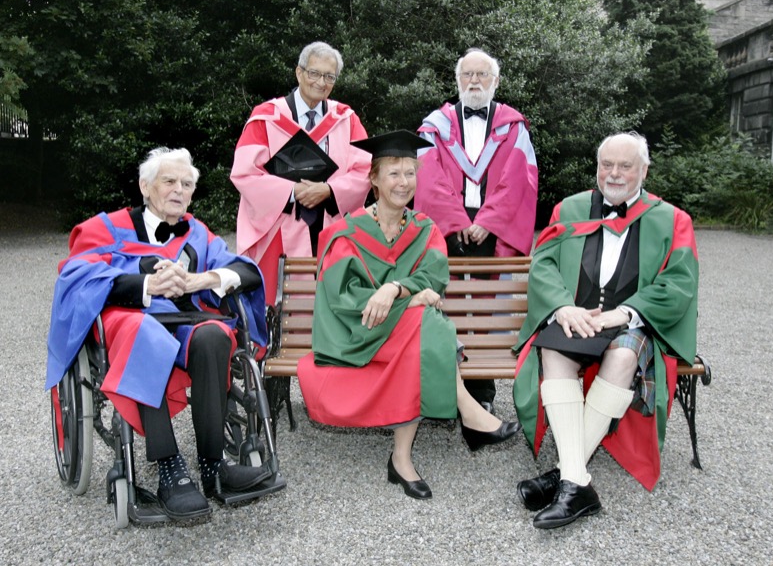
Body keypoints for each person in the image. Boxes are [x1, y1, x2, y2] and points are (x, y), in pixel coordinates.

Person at [45, 148, 275, 522]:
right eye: (169, 181)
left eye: (186, 184)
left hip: (184, 320)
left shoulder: (197, 233)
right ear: (145, 186)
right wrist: (146, 284)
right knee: (147, 335)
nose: (178, 190)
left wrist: (204, 279)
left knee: (215, 336)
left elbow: (245, 271)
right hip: (131, 319)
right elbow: (76, 277)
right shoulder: (107, 227)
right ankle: (169, 468)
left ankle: (213, 466)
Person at [296, 130, 521, 500]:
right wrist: (411, 298)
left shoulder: (423, 229)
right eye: (394, 173)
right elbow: (343, 298)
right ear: (374, 180)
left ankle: (403, 459)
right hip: (356, 333)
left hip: (402, 334)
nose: (404, 182)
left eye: (410, 173)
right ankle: (468, 413)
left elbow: (435, 276)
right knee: (425, 323)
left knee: (421, 327)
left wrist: (395, 290)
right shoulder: (345, 234)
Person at [512, 132, 699, 529]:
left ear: (644, 170)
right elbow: (542, 264)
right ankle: (576, 483)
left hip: (631, 322)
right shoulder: (570, 208)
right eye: (606, 165)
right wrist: (563, 306)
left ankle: (564, 474)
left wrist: (627, 312)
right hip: (577, 315)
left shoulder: (671, 219)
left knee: (625, 354)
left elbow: (679, 283)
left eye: (625, 166)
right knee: (553, 349)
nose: (614, 174)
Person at [416, 48, 539, 412]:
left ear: (495, 81)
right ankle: (445, 389)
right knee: (444, 302)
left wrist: (487, 221)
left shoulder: (512, 126)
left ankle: (482, 393)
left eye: (481, 75)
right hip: (447, 224)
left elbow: (519, 178)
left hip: (493, 229)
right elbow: (428, 176)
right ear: (457, 81)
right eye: (467, 75)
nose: (473, 81)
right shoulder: (434, 124)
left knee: (487, 309)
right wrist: (455, 220)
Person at [231, 41, 372, 306]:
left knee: (332, 301)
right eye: (314, 73)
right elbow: (245, 173)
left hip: (330, 222)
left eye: (329, 77)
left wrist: (329, 191)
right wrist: (292, 192)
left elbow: (364, 170)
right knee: (276, 304)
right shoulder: (266, 117)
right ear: (299, 73)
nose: (321, 82)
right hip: (280, 222)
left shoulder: (346, 118)